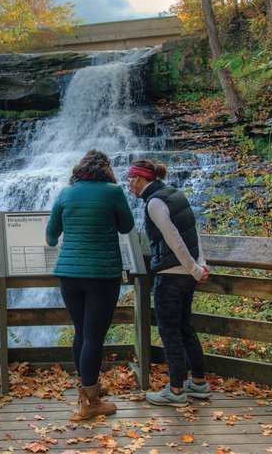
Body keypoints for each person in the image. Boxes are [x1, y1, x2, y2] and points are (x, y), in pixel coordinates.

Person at [46, 149, 135, 419]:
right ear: (105, 169)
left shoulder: (65, 193)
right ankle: (90, 403)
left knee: (81, 332)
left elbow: (51, 236)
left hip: (69, 275)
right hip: (101, 274)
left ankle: (87, 388)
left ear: (79, 169)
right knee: (94, 336)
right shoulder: (113, 192)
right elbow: (127, 226)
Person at [127, 158, 212, 407]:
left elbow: (174, 240)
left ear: (141, 179)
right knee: (184, 327)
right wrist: (200, 264)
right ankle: (198, 383)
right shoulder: (175, 194)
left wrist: (195, 269)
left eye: (131, 180)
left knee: (169, 331)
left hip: (171, 274)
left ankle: (175, 390)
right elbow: (192, 232)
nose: (129, 186)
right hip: (186, 273)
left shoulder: (154, 202)